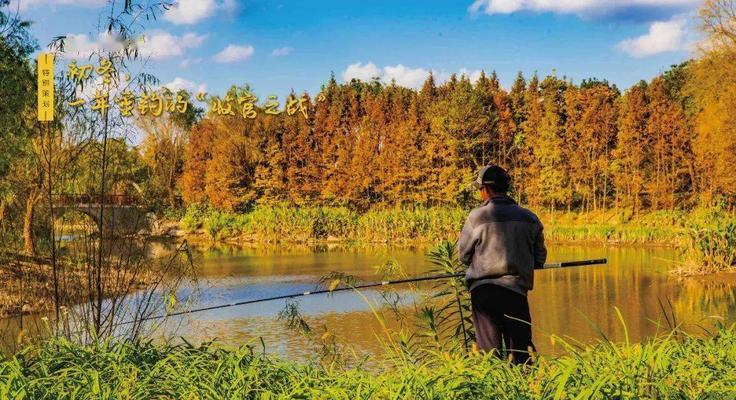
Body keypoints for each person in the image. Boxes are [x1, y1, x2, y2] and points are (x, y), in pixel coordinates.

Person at [457, 165, 547, 364]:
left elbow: (463, 255)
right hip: (515, 293)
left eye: (480, 189)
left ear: (486, 190)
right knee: (521, 353)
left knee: (489, 355)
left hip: (484, 294)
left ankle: (491, 390)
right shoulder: (530, 218)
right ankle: (524, 390)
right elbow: (540, 258)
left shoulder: (476, 218)